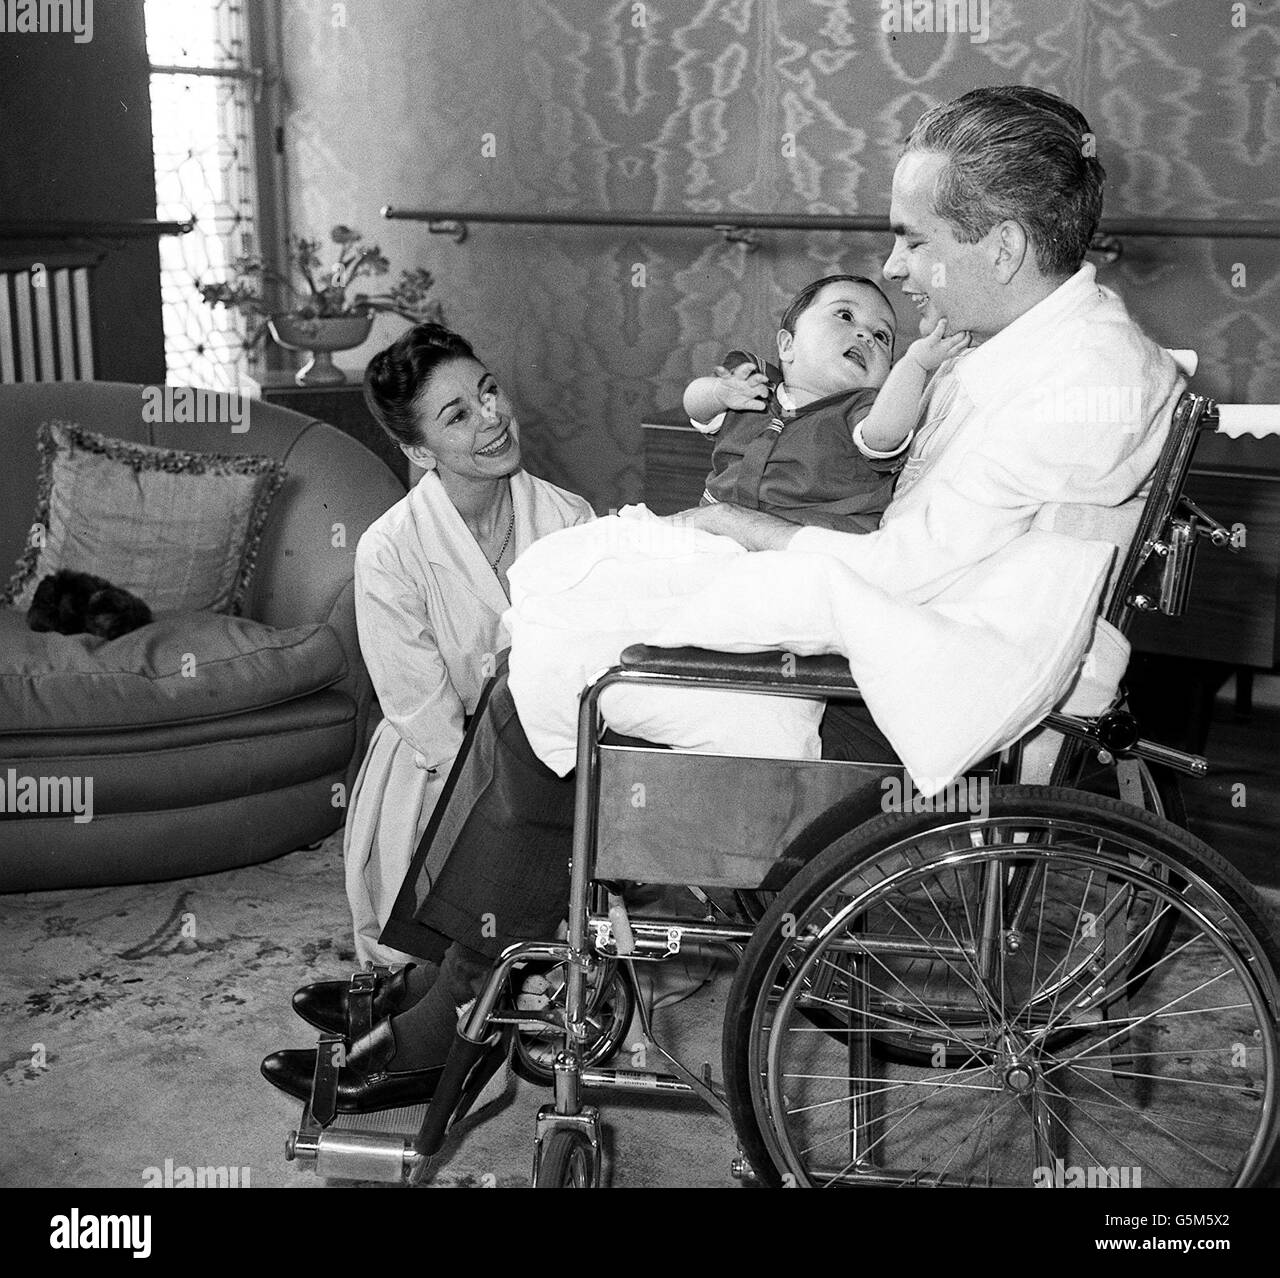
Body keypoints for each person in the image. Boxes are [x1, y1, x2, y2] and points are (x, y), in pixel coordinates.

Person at [263, 85, 1189, 1113]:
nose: (893, 269)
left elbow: (897, 575)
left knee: (572, 667)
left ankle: (445, 1018)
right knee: (565, 634)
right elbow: (907, 548)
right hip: (901, 650)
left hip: (896, 713)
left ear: (1004, 245)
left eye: (913, 242)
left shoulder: (1069, 381)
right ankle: (444, 992)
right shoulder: (1045, 350)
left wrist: (745, 537)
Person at [295, 323, 593, 1034]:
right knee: (478, 857)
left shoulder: (570, 518)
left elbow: (589, 667)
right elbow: (423, 714)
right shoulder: (389, 550)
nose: (491, 416)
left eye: (488, 391)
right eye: (458, 414)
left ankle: (422, 1006)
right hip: (438, 763)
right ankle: (424, 990)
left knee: (530, 867)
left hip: (551, 750)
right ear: (419, 450)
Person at [683, 273, 970, 532]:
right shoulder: (752, 389)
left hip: (806, 548)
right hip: (717, 539)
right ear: (787, 345)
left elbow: (885, 434)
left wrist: (915, 365)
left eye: (882, 336)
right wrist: (720, 392)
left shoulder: (861, 410)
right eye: (845, 315)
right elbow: (694, 406)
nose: (866, 336)